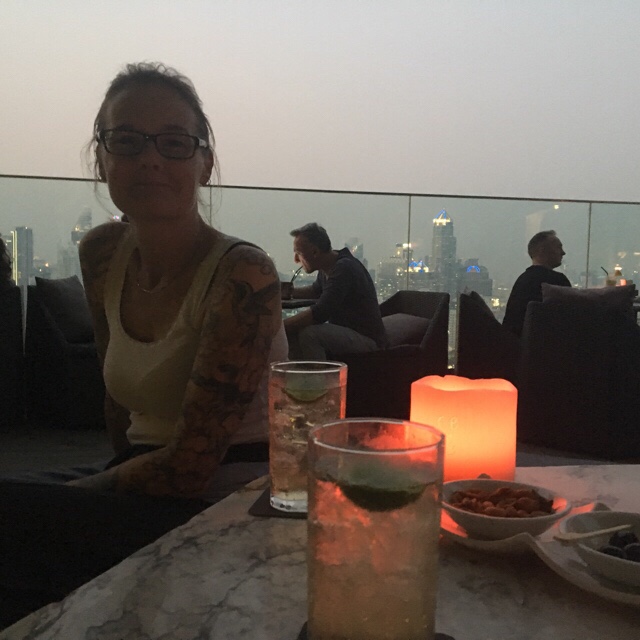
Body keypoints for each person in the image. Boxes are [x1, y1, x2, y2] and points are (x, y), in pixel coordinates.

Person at [0, 62, 287, 628]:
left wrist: (85, 494)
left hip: (226, 498)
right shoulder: (103, 253)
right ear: (101, 158)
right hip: (137, 476)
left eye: (174, 143)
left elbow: (190, 468)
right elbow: (117, 401)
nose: (150, 159)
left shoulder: (243, 273)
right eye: (127, 140)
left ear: (205, 164)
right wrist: (99, 486)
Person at [284, 223, 387, 360]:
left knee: (309, 334)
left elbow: (320, 313)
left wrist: (279, 328)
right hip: (351, 332)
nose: (296, 260)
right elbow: (316, 290)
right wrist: (287, 292)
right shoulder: (329, 265)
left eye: (299, 253)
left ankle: (318, 373)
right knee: (295, 332)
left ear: (315, 252)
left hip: (367, 340)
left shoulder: (343, 269)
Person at [502, 230, 571, 337]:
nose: (563, 252)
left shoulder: (522, 280)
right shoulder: (558, 281)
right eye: (558, 247)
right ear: (543, 250)